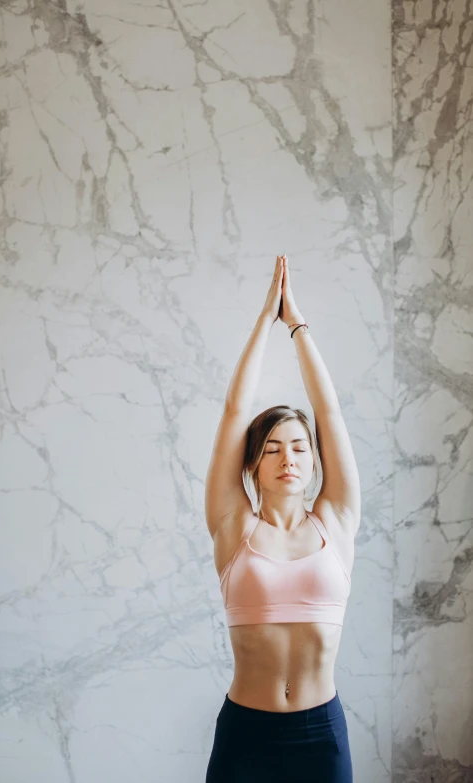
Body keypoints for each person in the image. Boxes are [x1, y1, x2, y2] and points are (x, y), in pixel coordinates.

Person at [204, 255, 360, 782]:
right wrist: (263, 322)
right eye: (271, 449)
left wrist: (296, 326)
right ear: (252, 464)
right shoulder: (234, 528)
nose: (287, 457)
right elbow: (233, 411)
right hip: (246, 733)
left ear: (315, 460)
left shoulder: (335, 522)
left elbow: (330, 412)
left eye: (298, 446)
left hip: (321, 736)